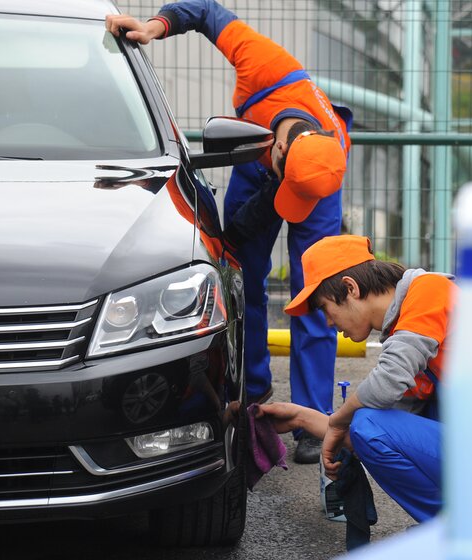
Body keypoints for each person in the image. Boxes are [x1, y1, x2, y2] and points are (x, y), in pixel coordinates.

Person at [106, 1, 352, 464]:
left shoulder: (325, 167)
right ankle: (255, 395)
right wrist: (155, 27)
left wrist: (292, 187)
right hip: (254, 163)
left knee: (318, 296)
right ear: (279, 145)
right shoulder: (263, 62)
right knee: (242, 274)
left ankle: (311, 417)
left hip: (313, 187)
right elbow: (204, 11)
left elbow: (302, 194)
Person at [258, 234, 472, 522]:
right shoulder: (416, 333)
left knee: (366, 423)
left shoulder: (429, 291)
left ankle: (463, 530)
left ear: (350, 288)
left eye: (325, 309)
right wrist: (302, 418)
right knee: (368, 423)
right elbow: (388, 432)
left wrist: (338, 419)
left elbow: (383, 392)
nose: (329, 323)